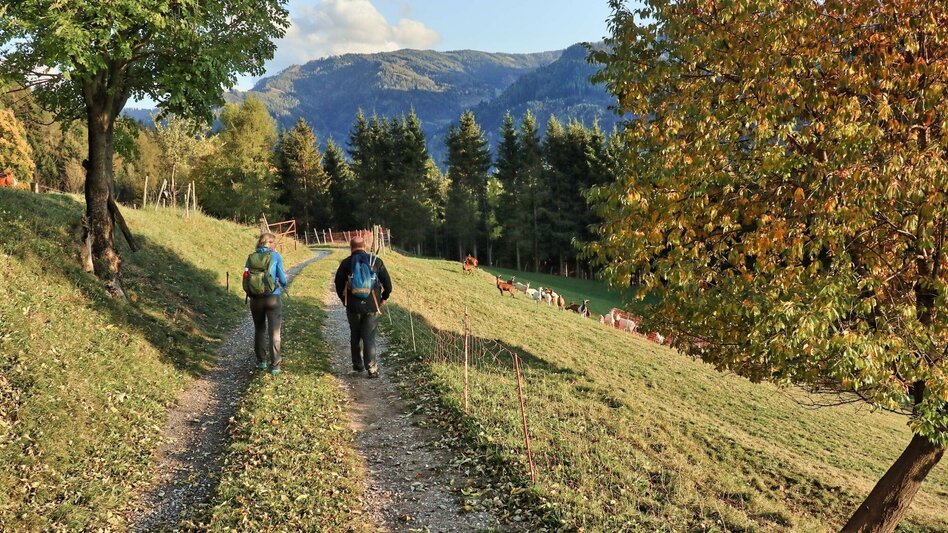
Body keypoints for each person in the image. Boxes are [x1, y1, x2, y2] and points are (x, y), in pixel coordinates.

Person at [334, 236, 392, 378]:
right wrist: (383, 299)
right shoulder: (376, 261)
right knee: (369, 336)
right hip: (372, 305)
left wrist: (344, 300)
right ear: (364, 246)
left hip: (352, 306)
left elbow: (338, 283)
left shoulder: (346, 263)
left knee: (355, 334)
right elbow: (388, 285)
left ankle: (357, 366)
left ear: (351, 247)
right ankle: (372, 368)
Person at [245, 233, 288, 375]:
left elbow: (246, 277)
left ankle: (261, 361)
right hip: (272, 298)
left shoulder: (251, 258)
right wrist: (281, 283)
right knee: (274, 332)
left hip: (255, 299)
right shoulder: (275, 256)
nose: (275, 246)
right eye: (274, 243)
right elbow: (283, 279)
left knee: (259, 329)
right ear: (269, 243)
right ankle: (275, 365)